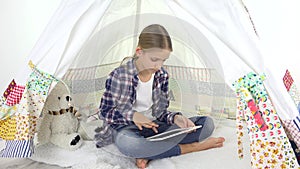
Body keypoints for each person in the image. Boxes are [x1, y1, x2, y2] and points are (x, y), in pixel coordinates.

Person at [95, 24, 225, 169]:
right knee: (130, 145)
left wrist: (176, 118)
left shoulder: (162, 75)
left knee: (206, 123)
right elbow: (105, 112)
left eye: (163, 60)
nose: (158, 66)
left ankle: (148, 151)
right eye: (154, 59)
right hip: (126, 128)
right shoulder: (120, 75)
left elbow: (160, 112)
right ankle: (192, 147)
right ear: (139, 52)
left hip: (155, 127)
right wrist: (133, 116)